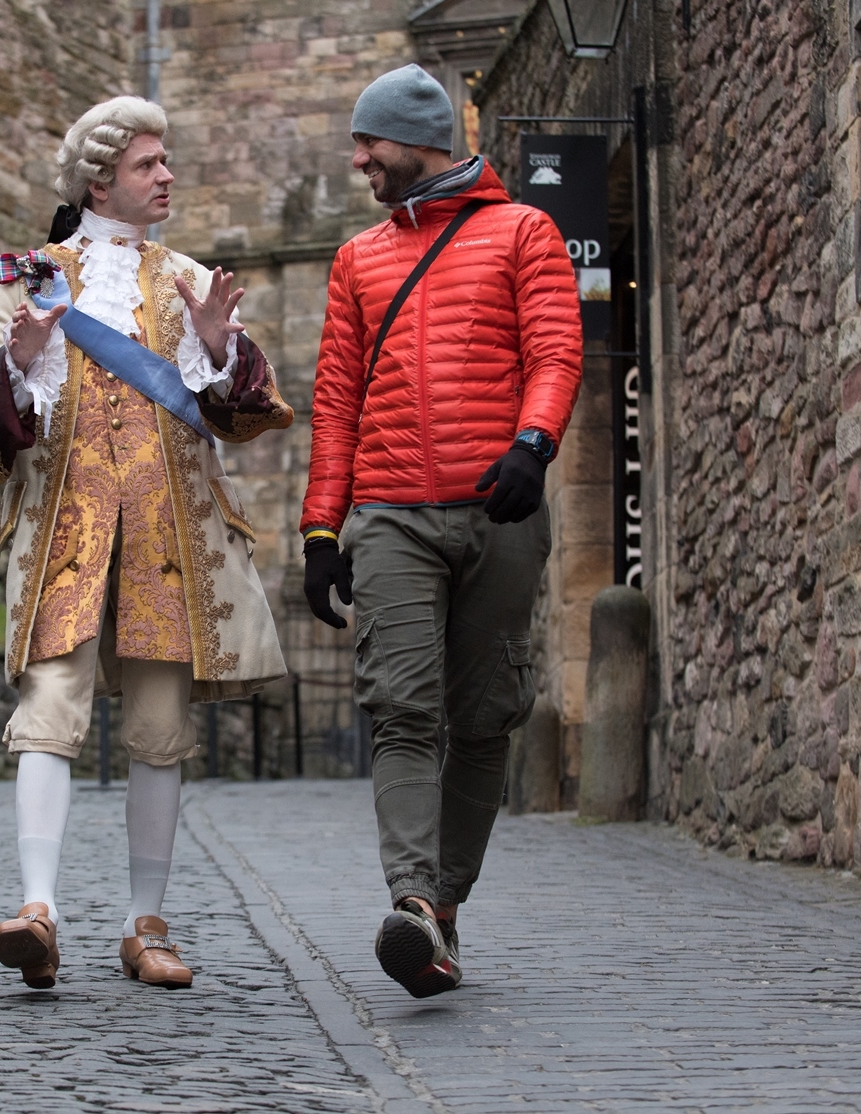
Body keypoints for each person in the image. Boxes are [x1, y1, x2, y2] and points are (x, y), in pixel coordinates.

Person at [0, 95, 292, 990]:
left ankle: (147, 923)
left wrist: (221, 348)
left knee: (158, 727)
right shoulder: (28, 280)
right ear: (101, 179)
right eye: (149, 164)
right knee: (49, 709)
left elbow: (250, 414)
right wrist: (19, 364)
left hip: (167, 532)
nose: (168, 175)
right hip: (66, 526)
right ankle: (38, 910)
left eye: (166, 161)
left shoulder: (189, 279)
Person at [300, 65, 583, 998]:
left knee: (486, 714)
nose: (358, 161)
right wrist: (319, 532)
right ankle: (413, 902)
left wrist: (533, 445)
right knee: (402, 707)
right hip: (389, 515)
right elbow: (337, 401)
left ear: (414, 138)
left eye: (366, 143)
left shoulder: (524, 231)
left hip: (500, 507)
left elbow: (554, 347)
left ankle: (444, 909)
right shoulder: (358, 259)